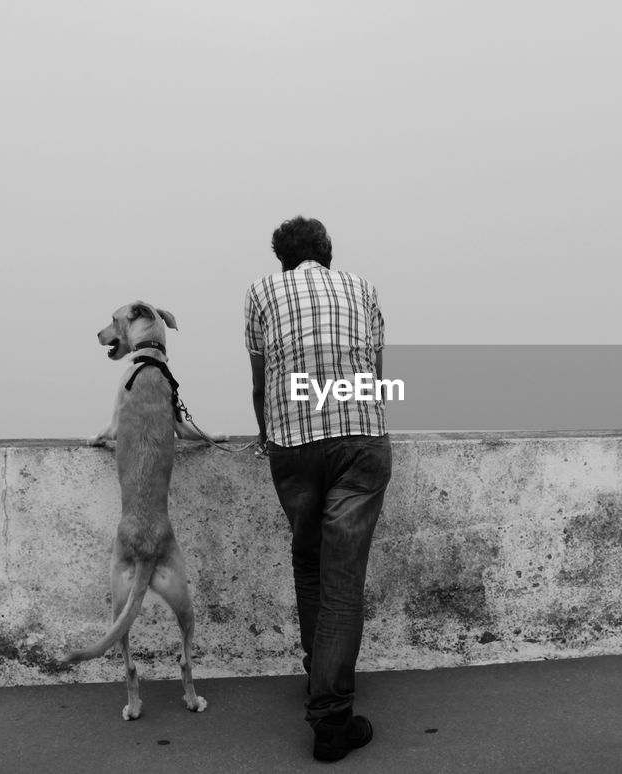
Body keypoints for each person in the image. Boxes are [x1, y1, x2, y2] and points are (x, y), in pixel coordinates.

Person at [244, 215, 392, 762]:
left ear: (281, 258)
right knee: (342, 580)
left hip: (294, 446)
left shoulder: (262, 291)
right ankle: (331, 718)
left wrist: (267, 435)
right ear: (328, 253)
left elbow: (261, 382)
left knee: (309, 562)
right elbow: (375, 375)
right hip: (359, 443)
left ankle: (319, 676)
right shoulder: (363, 289)